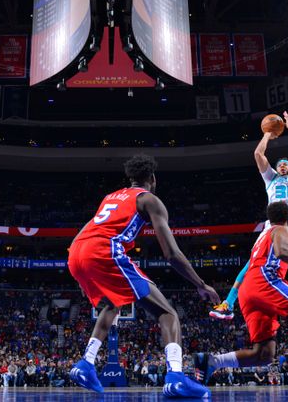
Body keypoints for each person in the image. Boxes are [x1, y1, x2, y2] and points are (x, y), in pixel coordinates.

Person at [67, 154, 220, 397]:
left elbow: (84, 232)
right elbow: (171, 253)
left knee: (112, 305)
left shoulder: (110, 197)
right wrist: (200, 284)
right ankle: (176, 377)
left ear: (130, 178)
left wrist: (79, 265)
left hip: (76, 252)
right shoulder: (149, 199)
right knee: (167, 313)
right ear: (152, 178)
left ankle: (86, 363)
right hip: (104, 250)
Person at [195, 202, 288, 396]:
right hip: (265, 280)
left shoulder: (262, 236)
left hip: (247, 290)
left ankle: (213, 362)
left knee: (264, 353)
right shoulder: (281, 229)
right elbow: (282, 252)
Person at [211, 112, 288, 351]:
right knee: (252, 265)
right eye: (280, 164)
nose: (284, 164)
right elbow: (258, 154)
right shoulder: (271, 180)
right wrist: (267, 134)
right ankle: (228, 304)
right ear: (276, 170)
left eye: (286, 163)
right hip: (273, 225)